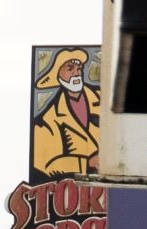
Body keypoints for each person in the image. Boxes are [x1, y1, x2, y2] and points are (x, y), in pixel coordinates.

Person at [29, 48, 100, 178]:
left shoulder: (103, 101)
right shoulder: (49, 118)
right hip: (76, 190)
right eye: (70, 69)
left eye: (79, 69)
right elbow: (45, 164)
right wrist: (87, 163)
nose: (76, 73)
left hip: (117, 182)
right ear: (58, 75)